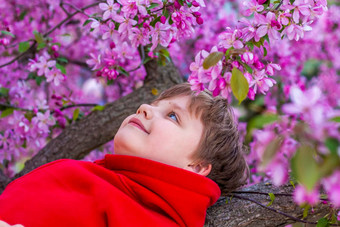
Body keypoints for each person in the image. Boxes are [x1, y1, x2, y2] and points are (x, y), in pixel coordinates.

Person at [0, 83, 248, 227]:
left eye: (173, 116)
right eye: (154, 104)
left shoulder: (149, 219)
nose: (145, 108)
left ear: (196, 166)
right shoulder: (92, 174)